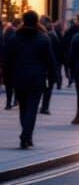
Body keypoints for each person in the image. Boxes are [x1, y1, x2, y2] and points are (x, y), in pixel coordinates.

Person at [7, 11, 59, 149]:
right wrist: (53, 77)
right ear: (37, 21)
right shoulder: (43, 38)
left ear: (23, 20)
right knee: (32, 108)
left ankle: (26, 134)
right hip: (37, 78)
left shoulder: (14, 38)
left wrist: (8, 78)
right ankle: (26, 136)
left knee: (23, 108)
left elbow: (8, 60)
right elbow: (50, 61)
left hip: (18, 77)